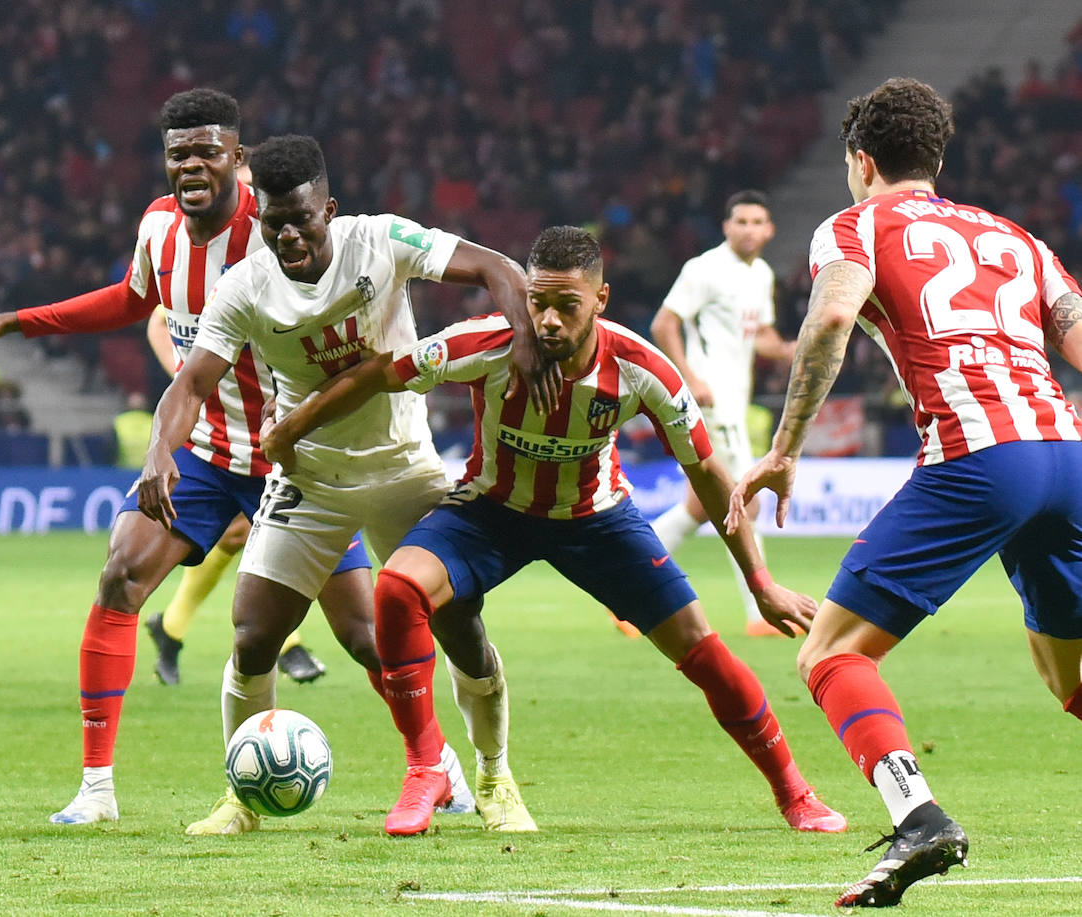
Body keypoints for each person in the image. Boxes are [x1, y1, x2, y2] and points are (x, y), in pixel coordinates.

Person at [261, 224, 847, 837]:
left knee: (702, 648)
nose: (546, 321)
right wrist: (292, 424)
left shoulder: (643, 369)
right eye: (537, 303)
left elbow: (705, 471)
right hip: (492, 513)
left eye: (567, 306)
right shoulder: (483, 343)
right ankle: (424, 769)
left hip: (596, 522)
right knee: (397, 588)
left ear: (601, 300)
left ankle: (795, 793)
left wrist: (760, 584)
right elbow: (380, 372)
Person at [0, 89, 400, 829]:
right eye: (178, 152)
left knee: (365, 634)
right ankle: (96, 788)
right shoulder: (158, 226)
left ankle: (440, 768)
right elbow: (125, 299)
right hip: (206, 456)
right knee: (120, 572)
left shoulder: (275, 234)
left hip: (291, 461)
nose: (191, 165)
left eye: (208, 150)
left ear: (238, 159)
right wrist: (11, 322)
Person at [134, 133, 557, 835]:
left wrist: (524, 335)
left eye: (302, 217)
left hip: (405, 470)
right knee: (253, 633)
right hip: (312, 480)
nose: (289, 234)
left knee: (459, 626)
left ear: (329, 208)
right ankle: (241, 798)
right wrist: (159, 452)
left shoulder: (381, 240)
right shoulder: (244, 286)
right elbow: (192, 382)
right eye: (274, 222)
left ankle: (495, 775)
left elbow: (496, 266)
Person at [728, 77, 1082, 908]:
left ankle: (918, 816)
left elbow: (827, 321)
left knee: (832, 651)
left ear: (861, 162)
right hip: (1066, 454)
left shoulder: (854, 225)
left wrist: (783, 451)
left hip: (978, 454)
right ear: (937, 159)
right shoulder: (1014, 236)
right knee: (1064, 668)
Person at [139, 303, 328, 686]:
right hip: (235, 433)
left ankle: (172, 628)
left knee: (243, 532)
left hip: (278, 424)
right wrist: (185, 377)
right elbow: (159, 321)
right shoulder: (218, 272)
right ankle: (287, 643)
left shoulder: (283, 273)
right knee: (254, 529)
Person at [649, 191, 796, 636]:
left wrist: (792, 351)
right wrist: (691, 378)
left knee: (699, 506)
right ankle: (760, 613)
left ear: (769, 230)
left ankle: (626, 584)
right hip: (712, 401)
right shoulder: (704, 269)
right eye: (741, 221)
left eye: (757, 221)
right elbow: (664, 323)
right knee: (743, 504)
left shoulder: (762, 274)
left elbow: (761, 338)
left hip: (734, 399)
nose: (749, 228)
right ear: (726, 226)